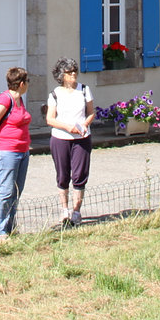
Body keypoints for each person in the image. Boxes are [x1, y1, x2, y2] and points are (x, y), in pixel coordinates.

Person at [44, 57, 93, 226]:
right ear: (61, 75)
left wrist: (84, 124)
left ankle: (76, 211)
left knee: (80, 175)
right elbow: (50, 119)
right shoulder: (55, 94)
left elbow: (91, 112)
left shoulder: (85, 90)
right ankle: (64, 210)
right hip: (60, 138)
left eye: (75, 71)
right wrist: (68, 127)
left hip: (82, 139)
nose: (73, 74)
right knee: (63, 175)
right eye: (69, 72)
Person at [0, 66, 32, 238]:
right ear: (21, 83)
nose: (27, 85)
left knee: (16, 191)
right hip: (7, 152)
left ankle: (9, 228)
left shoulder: (19, 99)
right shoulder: (5, 100)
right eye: (27, 82)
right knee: (6, 191)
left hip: (22, 151)